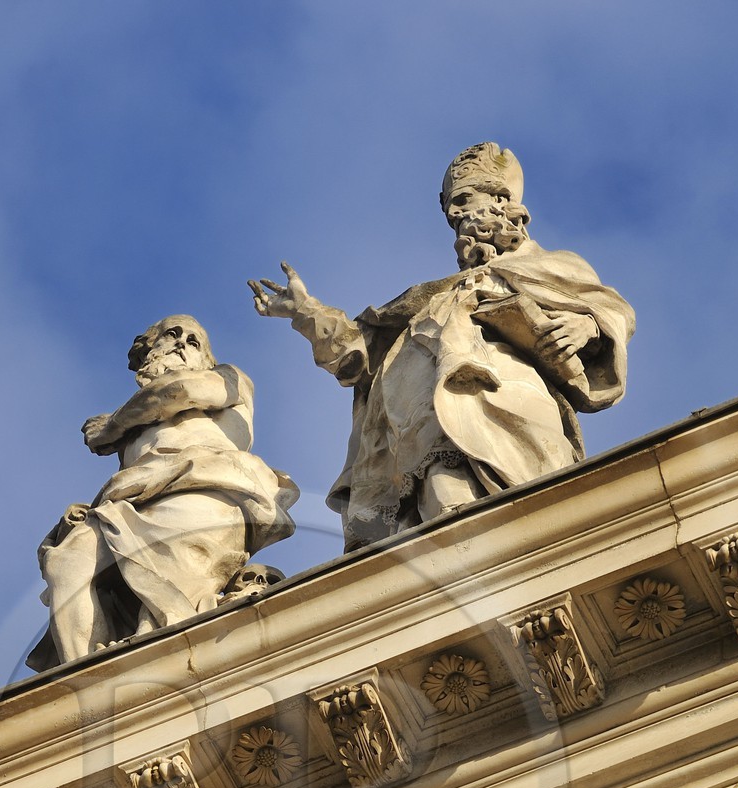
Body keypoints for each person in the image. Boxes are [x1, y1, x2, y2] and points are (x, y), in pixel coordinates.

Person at [249, 143, 634, 548]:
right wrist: (304, 311)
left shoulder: (553, 266)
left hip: (504, 394)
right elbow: (356, 353)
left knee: (525, 500)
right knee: (437, 510)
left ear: (501, 201)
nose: (455, 214)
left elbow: (610, 310)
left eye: (465, 199)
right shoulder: (429, 298)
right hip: (414, 420)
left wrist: (585, 325)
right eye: (452, 205)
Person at [27, 316, 297, 669]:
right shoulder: (135, 430)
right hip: (137, 504)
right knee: (65, 563)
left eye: (195, 341)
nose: (183, 344)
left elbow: (177, 392)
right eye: (173, 334)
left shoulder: (229, 380)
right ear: (148, 351)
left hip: (207, 493)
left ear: (206, 359)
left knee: (166, 618)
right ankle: (86, 677)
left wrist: (113, 424)